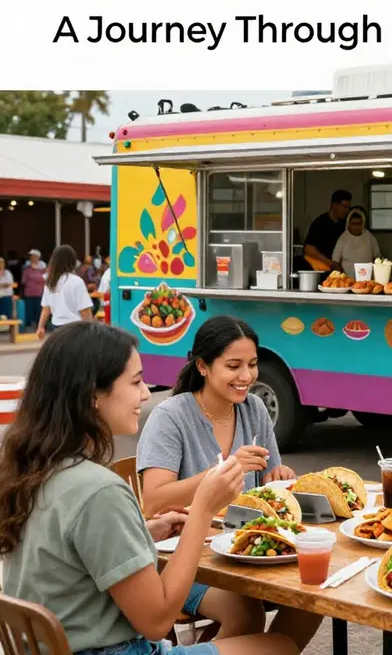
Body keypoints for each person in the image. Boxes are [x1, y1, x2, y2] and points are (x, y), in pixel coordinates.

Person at [0, 322, 297, 655]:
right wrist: (202, 510)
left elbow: (72, 550)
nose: (145, 394)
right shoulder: (99, 490)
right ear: (92, 394)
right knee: (280, 646)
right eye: (136, 382)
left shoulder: (34, 470)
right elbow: (157, 621)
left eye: (252, 364)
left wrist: (141, 531)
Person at [137, 316, 322, 652]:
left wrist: (279, 478)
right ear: (203, 366)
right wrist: (223, 471)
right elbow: (153, 501)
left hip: (245, 548)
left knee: (314, 594)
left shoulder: (254, 409)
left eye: (252, 364)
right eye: (234, 366)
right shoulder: (171, 417)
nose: (247, 376)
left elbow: (269, 482)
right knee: (245, 612)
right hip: (183, 560)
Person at [37, 244, 94, 337]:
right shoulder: (77, 281)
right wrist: (91, 331)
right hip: (75, 328)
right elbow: (85, 310)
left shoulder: (50, 282)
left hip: (56, 328)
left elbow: (46, 308)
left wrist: (40, 327)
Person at [303, 189, 352, 271]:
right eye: (344, 207)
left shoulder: (345, 224)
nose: (347, 210)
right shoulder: (320, 223)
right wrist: (330, 263)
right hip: (323, 269)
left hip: (341, 268)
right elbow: (308, 249)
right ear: (334, 205)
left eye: (348, 208)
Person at [332, 207, 381, 278]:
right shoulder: (343, 238)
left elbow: (377, 259)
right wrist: (343, 277)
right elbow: (335, 262)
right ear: (349, 224)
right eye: (353, 224)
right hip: (348, 280)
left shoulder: (369, 237)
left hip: (367, 280)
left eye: (359, 223)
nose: (356, 226)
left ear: (363, 223)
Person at [21, 248, 47, 331]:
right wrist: (37, 279)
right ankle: (30, 326)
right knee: (30, 310)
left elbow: (44, 279)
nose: (32, 258)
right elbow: (23, 281)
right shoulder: (27, 268)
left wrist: (33, 279)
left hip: (40, 293)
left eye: (34, 256)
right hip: (29, 293)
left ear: (38, 257)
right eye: (31, 256)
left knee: (39, 310)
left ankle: (40, 326)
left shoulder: (43, 268)